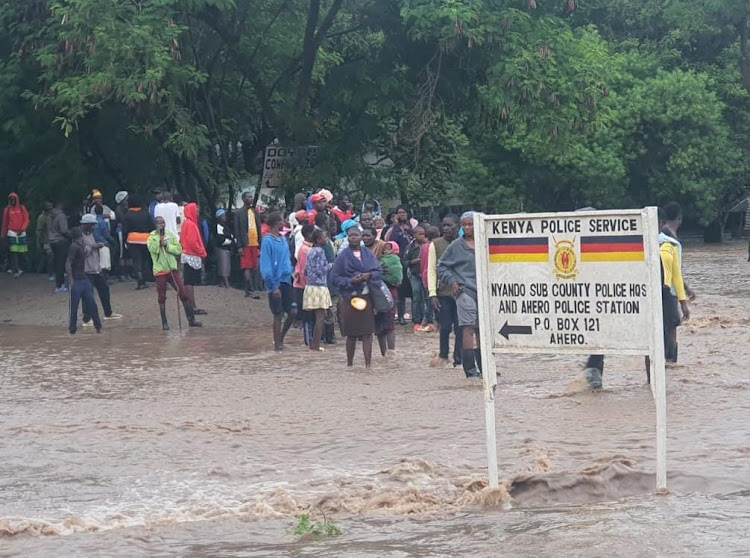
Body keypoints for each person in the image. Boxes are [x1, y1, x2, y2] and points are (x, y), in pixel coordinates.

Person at [330, 226, 383, 368]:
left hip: (366, 297)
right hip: (349, 298)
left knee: (367, 333)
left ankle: (368, 365)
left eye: (356, 235)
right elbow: (334, 278)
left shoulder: (368, 254)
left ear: (360, 237)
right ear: (347, 238)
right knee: (351, 333)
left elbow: (378, 271)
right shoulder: (342, 257)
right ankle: (350, 365)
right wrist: (350, 281)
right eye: (350, 235)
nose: (353, 237)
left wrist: (368, 275)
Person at [438, 212, 481, 379]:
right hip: (464, 291)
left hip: (483, 291)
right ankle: (470, 370)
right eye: (465, 225)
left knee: (482, 330)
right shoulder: (456, 246)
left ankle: (485, 368)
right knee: (469, 327)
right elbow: (441, 266)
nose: (467, 228)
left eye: (470, 224)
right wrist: (453, 282)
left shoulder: (485, 243)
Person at [147, 216, 202, 329]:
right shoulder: (151, 237)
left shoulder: (170, 235)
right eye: (158, 223)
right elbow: (153, 249)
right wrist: (159, 241)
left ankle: (191, 320)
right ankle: (164, 323)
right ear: (155, 225)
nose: (161, 225)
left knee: (183, 293)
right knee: (162, 296)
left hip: (172, 269)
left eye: (162, 222)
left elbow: (178, 249)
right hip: (160, 270)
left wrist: (167, 246)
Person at [260, 212, 297, 351]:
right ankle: (277, 345)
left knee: (293, 311)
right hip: (274, 282)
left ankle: (280, 337)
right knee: (278, 313)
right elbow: (266, 265)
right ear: (276, 223)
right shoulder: (267, 241)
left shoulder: (283, 240)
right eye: (282, 221)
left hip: (287, 280)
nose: (285, 223)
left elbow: (287, 259)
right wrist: (273, 286)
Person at [660, 202, 691, 363]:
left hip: (663, 289)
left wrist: (686, 289)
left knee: (666, 326)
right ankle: (670, 362)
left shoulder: (660, 236)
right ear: (680, 218)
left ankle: (666, 364)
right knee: (672, 325)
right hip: (668, 291)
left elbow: (674, 270)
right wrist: (683, 301)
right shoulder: (670, 241)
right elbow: (675, 273)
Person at [429, 214, 462, 367]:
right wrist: (432, 294)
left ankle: (459, 359)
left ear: (458, 226)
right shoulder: (435, 244)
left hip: (462, 292)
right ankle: (443, 356)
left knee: (461, 328)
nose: (447, 228)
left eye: (450, 225)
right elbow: (431, 270)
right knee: (445, 326)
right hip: (443, 292)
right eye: (444, 225)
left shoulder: (464, 243)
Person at [79, 214, 122, 325]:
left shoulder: (90, 234)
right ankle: (87, 319)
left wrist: (96, 246)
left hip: (96, 268)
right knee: (88, 294)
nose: (94, 227)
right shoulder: (78, 236)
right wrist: (94, 246)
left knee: (104, 289)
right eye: (92, 225)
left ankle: (108, 313)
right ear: (85, 225)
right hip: (85, 270)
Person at [66, 227, 102, 334]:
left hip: (82, 279)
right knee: (80, 306)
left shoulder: (78, 246)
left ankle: (96, 326)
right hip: (78, 280)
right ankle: (74, 329)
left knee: (85, 305)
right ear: (80, 236)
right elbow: (68, 264)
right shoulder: (74, 247)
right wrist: (71, 280)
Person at [304, 229, 333, 352]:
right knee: (320, 317)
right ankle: (315, 345)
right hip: (319, 286)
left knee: (318, 317)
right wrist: (332, 264)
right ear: (318, 240)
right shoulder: (320, 251)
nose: (326, 239)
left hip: (310, 286)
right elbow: (321, 270)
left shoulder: (311, 251)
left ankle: (313, 344)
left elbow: (306, 270)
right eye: (324, 237)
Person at [384, 205, 414, 324]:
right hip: (399, 262)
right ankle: (400, 316)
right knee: (401, 291)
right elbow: (391, 244)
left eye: (404, 212)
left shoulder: (412, 227)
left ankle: (415, 315)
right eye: (399, 213)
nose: (402, 214)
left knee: (413, 292)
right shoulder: (394, 229)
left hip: (412, 262)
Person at [233, 191, 263, 298]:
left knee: (254, 266)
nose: (250, 198)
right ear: (244, 199)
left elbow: (259, 228)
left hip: (255, 242)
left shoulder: (255, 212)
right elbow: (237, 230)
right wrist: (239, 246)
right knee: (247, 266)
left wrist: (260, 242)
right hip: (245, 243)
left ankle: (251, 288)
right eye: (248, 197)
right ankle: (249, 289)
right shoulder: (238, 213)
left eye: (251, 197)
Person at [403, 225, 433, 332]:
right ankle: (417, 320)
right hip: (415, 274)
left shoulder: (429, 245)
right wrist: (413, 262)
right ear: (414, 235)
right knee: (416, 296)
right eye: (419, 234)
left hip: (426, 274)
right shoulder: (410, 247)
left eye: (423, 234)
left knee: (428, 297)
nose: (422, 236)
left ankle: (429, 320)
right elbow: (405, 262)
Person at [376, 241, 403, 357]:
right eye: (384, 249)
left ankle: (391, 353)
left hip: (390, 293)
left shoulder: (395, 260)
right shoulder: (376, 260)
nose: (386, 251)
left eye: (389, 249)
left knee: (389, 324)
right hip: (376, 293)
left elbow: (397, 277)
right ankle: (383, 354)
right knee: (379, 325)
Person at [180, 202, 207, 313]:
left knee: (188, 282)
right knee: (189, 282)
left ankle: (191, 305)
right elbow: (193, 242)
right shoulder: (191, 224)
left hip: (188, 254)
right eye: (196, 210)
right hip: (192, 255)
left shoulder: (187, 223)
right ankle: (192, 306)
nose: (197, 213)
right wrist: (202, 252)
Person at [122, 195, 154, 290]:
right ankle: (145, 279)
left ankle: (140, 282)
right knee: (144, 260)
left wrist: (124, 241)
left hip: (132, 240)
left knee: (136, 261)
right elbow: (152, 227)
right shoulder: (146, 213)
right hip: (145, 239)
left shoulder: (127, 215)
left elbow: (125, 230)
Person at [294, 224, 315, 345]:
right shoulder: (306, 250)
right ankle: (309, 342)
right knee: (308, 315)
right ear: (309, 234)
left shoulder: (308, 249)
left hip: (306, 285)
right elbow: (304, 271)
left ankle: (312, 341)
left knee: (311, 314)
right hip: (305, 286)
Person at [2, 193, 30, 278]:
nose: (12, 201)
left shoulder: (22, 208)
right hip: (12, 232)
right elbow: (5, 223)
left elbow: (26, 219)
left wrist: (22, 229)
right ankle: (16, 269)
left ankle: (22, 268)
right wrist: (3, 235)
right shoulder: (7, 210)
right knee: (14, 252)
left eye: (14, 199)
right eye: (11, 199)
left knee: (22, 252)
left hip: (22, 232)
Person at [419, 226, 440, 332]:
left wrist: (422, 273)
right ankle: (431, 321)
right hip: (433, 275)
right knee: (433, 300)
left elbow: (422, 262)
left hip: (425, 274)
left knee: (427, 300)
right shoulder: (436, 246)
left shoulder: (424, 246)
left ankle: (428, 320)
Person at [48, 202, 72, 292]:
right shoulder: (61, 216)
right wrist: (72, 235)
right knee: (61, 264)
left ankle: (59, 284)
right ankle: (60, 285)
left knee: (57, 263)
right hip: (60, 241)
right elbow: (64, 230)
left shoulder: (50, 215)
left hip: (52, 241)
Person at [214, 208, 235, 288]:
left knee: (225, 265)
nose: (225, 217)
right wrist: (231, 241)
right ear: (219, 217)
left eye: (225, 216)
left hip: (226, 248)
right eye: (222, 216)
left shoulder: (225, 226)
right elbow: (220, 239)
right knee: (223, 266)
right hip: (221, 248)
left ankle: (221, 283)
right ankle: (227, 284)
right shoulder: (218, 226)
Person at [93, 205, 114, 274]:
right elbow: (106, 234)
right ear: (102, 211)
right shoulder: (102, 222)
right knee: (104, 265)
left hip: (94, 244)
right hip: (104, 244)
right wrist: (112, 241)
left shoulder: (93, 221)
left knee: (97, 263)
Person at [36, 201, 55, 281]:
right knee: (51, 257)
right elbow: (38, 230)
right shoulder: (42, 217)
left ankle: (54, 273)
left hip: (54, 239)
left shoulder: (52, 215)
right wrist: (38, 242)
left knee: (55, 257)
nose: (51, 207)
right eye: (49, 206)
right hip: (47, 241)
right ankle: (50, 274)